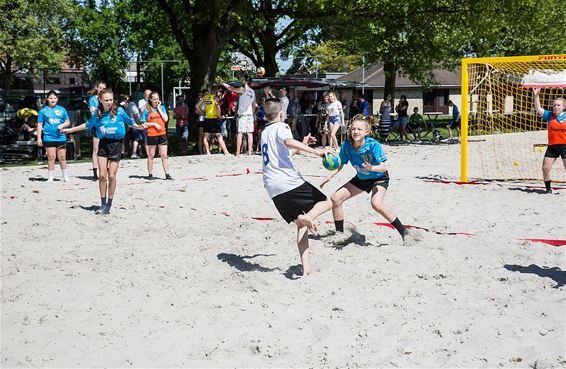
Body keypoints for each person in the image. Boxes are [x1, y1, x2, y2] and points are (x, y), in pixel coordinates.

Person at [260, 98, 332, 276]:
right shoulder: (282, 127)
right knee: (327, 202)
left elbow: (285, 154)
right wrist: (317, 152)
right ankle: (308, 218)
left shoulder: (264, 132)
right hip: (289, 181)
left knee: (300, 225)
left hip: (272, 187)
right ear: (281, 113)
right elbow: (289, 142)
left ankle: (306, 268)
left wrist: (303, 144)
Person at [320, 114, 414, 245]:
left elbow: (384, 167)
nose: (356, 131)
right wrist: (329, 176)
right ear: (349, 130)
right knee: (336, 198)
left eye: (359, 129)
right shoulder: (347, 145)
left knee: (376, 203)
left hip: (379, 178)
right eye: (353, 129)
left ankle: (404, 232)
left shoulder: (373, 145)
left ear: (366, 132)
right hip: (362, 179)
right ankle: (340, 234)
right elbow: (340, 163)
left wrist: (372, 168)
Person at [62, 89, 146, 214]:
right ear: (100, 100)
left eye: (111, 100)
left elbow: (130, 121)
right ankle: (102, 204)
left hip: (116, 144)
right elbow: (87, 125)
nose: (109, 102)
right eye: (106, 100)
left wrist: (138, 125)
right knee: (102, 176)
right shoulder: (97, 113)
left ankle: (109, 204)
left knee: (112, 176)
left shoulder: (119, 111)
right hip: (103, 144)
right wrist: (70, 130)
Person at [533, 88, 566, 194]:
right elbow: (538, 109)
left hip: (565, 146)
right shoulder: (550, 116)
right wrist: (536, 95)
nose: (555, 107)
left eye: (558, 105)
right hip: (552, 147)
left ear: (564, 107)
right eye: (554, 105)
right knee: (545, 168)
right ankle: (548, 189)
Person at [37, 91, 71, 182]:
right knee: (51, 157)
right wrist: (39, 138)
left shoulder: (62, 109)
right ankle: (50, 177)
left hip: (61, 137)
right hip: (48, 137)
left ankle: (65, 177)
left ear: (57, 99)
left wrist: (63, 125)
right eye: (51, 98)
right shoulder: (43, 111)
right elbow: (40, 124)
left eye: (55, 98)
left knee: (62, 157)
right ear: (47, 99)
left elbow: (68, 122)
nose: (53, 100)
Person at [141, 91, 173, 180]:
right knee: (151, 155)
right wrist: (153, 124)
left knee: (164, 155)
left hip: (162, 134)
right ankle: (150, 174)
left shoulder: (162, 107)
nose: (156, 100)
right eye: (154, 99)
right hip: (152, 134)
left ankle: (167, 174)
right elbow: (143, 123)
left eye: (157, 99)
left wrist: (158, 108)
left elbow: (166, 119)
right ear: (150, 100)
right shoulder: (147, 109)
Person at [222, 76, 256, 156]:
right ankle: (250, 152)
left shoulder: (242, 89)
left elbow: (231, 88)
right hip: (250, 115)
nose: (242, 81)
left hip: (243, 115)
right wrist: (252, 113)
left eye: (243, 80)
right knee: (250, 133)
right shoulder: (252, 91)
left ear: (245, 81)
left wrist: (223, 83)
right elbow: (254, 105)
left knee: (240, 133)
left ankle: (237, 152)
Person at [87, 81, 107, 180]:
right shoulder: (92, 99)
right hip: (97, 126)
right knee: (96, 149)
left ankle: (104, 171)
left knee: (106, 148)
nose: (102, 90)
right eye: (100, 88)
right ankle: (95, 172)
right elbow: (93, 113)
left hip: (107, 126)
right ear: (96, 88)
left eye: (104, 88)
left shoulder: (107, 99)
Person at [195, 89, 207, 154]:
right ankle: (201, 151)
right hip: (202, 120)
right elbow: (196, 111)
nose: (206, 95)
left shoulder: (208, 101)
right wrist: (203, 113)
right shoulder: (200, 101)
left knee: (207, 136)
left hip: (208, 119)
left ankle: (205, 150)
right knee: (201, 136)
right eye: (205, 94)